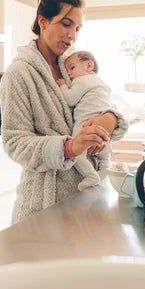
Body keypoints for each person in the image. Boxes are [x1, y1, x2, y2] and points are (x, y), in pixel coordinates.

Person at [0, 0, 129, 224]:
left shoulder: (70, 68)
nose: (73, 35)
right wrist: (69, 147)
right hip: (42, 209)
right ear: (43, 21)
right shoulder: (19, 74)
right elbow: (14, 142)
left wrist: (109, 118)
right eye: (66, 24)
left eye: (78, 28)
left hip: (86, 202)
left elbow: (98, 96)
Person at [56, 50, 114, 191]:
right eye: (68, 69)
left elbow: (70, 99)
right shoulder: (102, 83)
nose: (69, 73)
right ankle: (102, 175)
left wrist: (63, 85)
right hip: (105, 129)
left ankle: (91, 176)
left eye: (72, 67)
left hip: (86, 124)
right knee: (105, 160)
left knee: (77, 155)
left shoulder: (82, 80)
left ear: (89, 65)